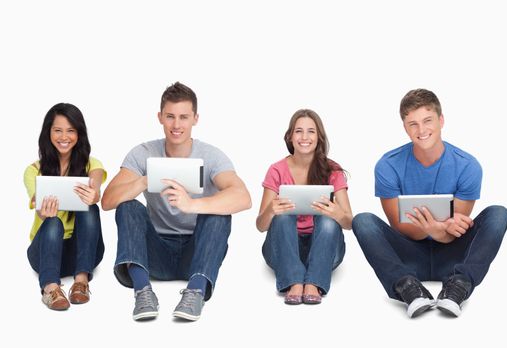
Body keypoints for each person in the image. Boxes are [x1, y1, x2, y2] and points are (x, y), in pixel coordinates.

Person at [352, 89, 507, 318]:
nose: (421, 130)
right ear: (405, 128)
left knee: (498, 214)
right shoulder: (388, 165)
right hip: (408, 256)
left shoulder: (468, 166)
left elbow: (456, 230)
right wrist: (433, 228)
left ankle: (459, 285)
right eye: (413, 124)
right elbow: (398, 225)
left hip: (453, 255)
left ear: (441, 120)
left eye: (428, 121)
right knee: (363, 221)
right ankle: (408, 287)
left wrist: (436, 230)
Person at [101, 81, 251, 321]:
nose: (177, 125)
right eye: (170, 116)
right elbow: (107, 201)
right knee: (128, 205)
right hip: (155, 253)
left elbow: (243, 197)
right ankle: (142, 290)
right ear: (160, 117)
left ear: (195, 118)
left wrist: (192, 205)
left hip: (198, 253)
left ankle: (196, 290)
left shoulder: (211, 155)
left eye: (184, 117)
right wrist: (143, 181)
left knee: (220, 212)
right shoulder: (143, 153)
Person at [256, 109, 353, 305]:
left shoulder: (332, 169)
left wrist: (337, 213)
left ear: (319, 137)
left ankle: (313, 282)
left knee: (328, 220)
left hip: (323, 250)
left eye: (311, 131)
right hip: (283, 250)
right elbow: (261, 225)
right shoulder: (276, 170)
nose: (304, 137)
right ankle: (294, 281)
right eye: (299, 131)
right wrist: (271, 210)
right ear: (290, 137)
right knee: (282, 217)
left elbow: (350, 222)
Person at [24, 103, 106, 311]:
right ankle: (50, 288)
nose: (64, 137)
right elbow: (39, 208)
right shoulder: (33, 171)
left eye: (71, 131)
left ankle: (81, 281)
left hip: (83, 252)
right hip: (46, 251)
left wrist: (93, 193)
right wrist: (44, 213)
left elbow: (95, 184)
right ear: (48, 133)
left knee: (90, 209)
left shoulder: (91, 164)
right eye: (58, 130)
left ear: (79, 134)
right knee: (53, 222)